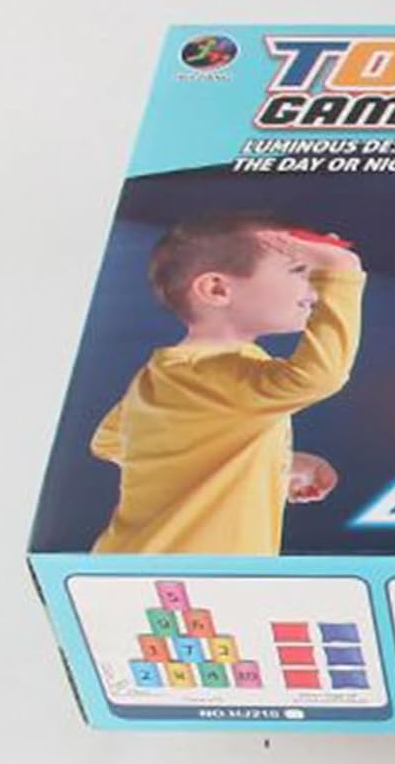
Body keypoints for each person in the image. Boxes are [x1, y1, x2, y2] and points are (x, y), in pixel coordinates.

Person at [91, 213, 364, 554]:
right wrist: (342, 272)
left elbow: (109, 442)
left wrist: (262, 462)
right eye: (298, 270)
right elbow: (318, 377)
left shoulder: (167, 372)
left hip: (144, 563)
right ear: (217, 289)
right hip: (189, 574)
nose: (315, 282)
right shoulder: (218, 376)